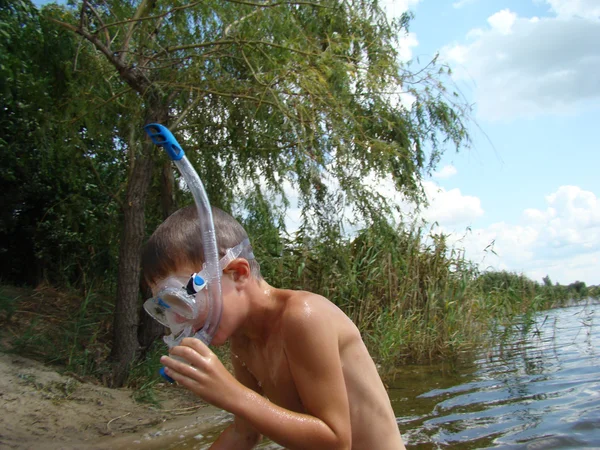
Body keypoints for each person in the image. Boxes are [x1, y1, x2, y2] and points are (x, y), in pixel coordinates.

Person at [141, 205, 406, 450]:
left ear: (238, 273)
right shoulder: (242, 341)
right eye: (167, 309)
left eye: (184, 300)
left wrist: (231, 393)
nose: (180, 320)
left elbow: (337, 443)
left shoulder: (302, 317)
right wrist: (235, 397)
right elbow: (244, 433)